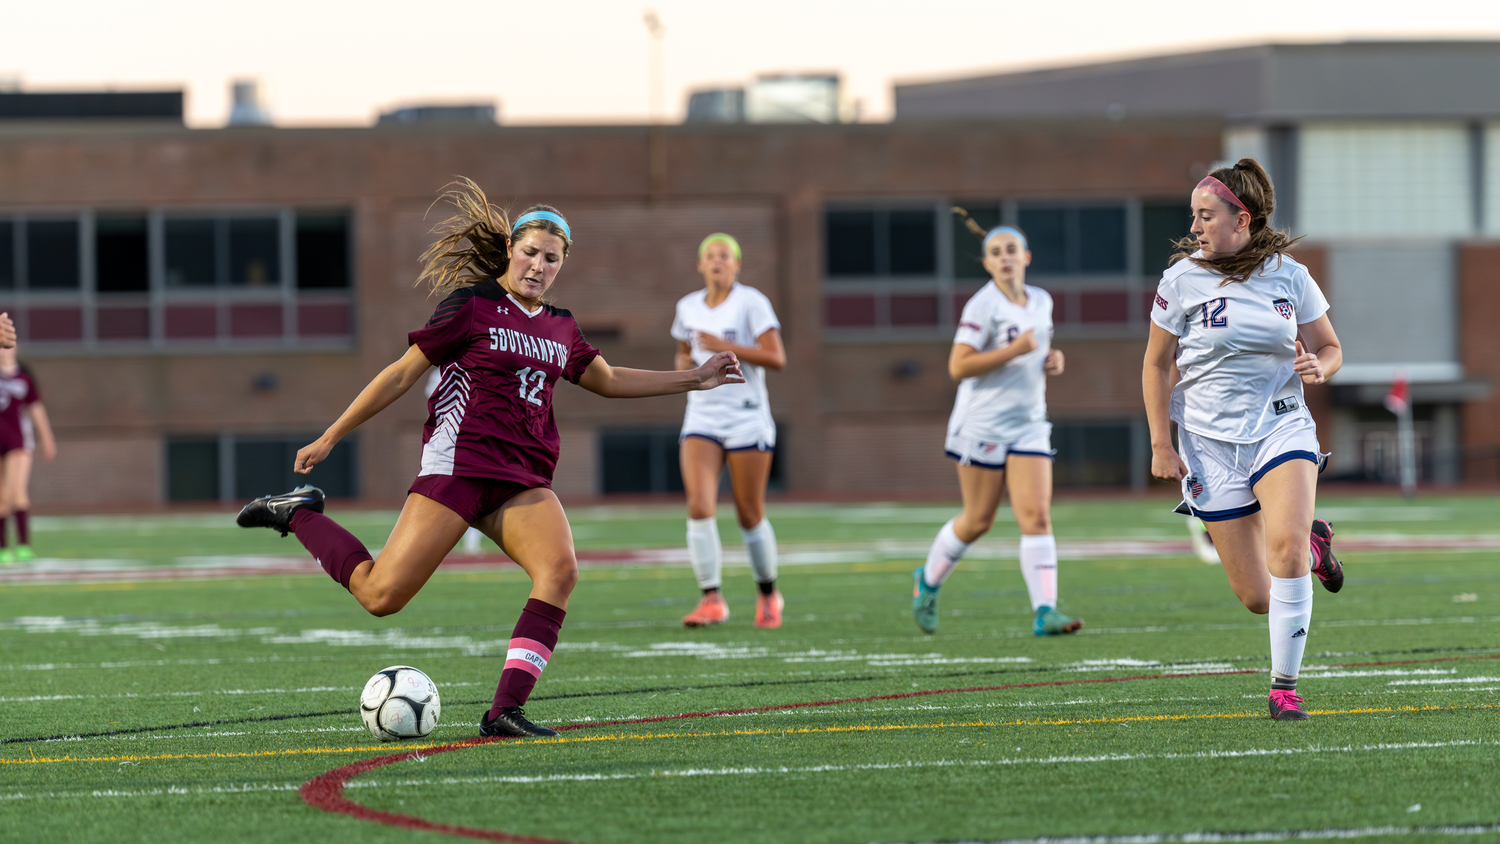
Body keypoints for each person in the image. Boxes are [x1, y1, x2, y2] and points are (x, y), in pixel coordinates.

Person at [236, 179, 743, 738]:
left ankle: (504, 711)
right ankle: (300, 513)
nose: (538, 265)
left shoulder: (562, 326)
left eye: (552, 259)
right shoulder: (473, 306)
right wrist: (332, 435)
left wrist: (695, 378)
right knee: (380, 597)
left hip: (522, 479)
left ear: (562, 265)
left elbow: (610, 379)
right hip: (459, 468)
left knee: (560, 570)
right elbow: (402, 373)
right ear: (510, 250)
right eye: (530, 252)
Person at [1142, 158, 1345, 722]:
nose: (1196, 226)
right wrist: (1162, 443)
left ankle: (1284, 689)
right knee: (1258, 596)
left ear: (1242, 218)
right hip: (1208, 442)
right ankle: (1315, 545)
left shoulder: (1291, 275)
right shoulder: (1181, 279)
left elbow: (1330, 346)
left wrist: (1320, 367)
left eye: (1207, 216)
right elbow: (1157, 366)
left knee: (1282, 553)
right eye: (1194, 216)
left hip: (1281, 424)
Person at [911, 211, 1081, 637]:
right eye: (994, 253)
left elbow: (1037, 352)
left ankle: (1045, 611)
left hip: (1028, 423)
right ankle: (927, 582)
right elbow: (958, 365)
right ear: (986, 264)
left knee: (1036, 516)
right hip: (982, 425)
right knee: (978, 520)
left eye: (1010, 250)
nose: (1004, 258)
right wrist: (1015, 349)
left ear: (1025, 256)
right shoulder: (982, 305)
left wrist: (1051, 359)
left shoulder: (1041, 300)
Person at [671, 233, 786, 629]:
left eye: (725, 255)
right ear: (699, 265)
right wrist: (684, 362)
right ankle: (711, 599)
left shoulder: (752, 302)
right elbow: (684, 353)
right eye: (710, 256)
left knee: (749, 513)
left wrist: (723, 344)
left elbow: (777, 357)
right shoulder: (687, 306)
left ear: (737, 265)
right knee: (699, 507)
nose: (717, 261)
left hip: (746, 416)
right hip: (702, 417)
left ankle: (769, 594)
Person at [0, 344, 55, 563]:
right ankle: (3, 548)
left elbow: (36, 407)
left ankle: (23, 545)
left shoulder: (24, 376)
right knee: (1, 496)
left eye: (7, 347)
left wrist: (47, 437)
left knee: (16, 492)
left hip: (18, 441)